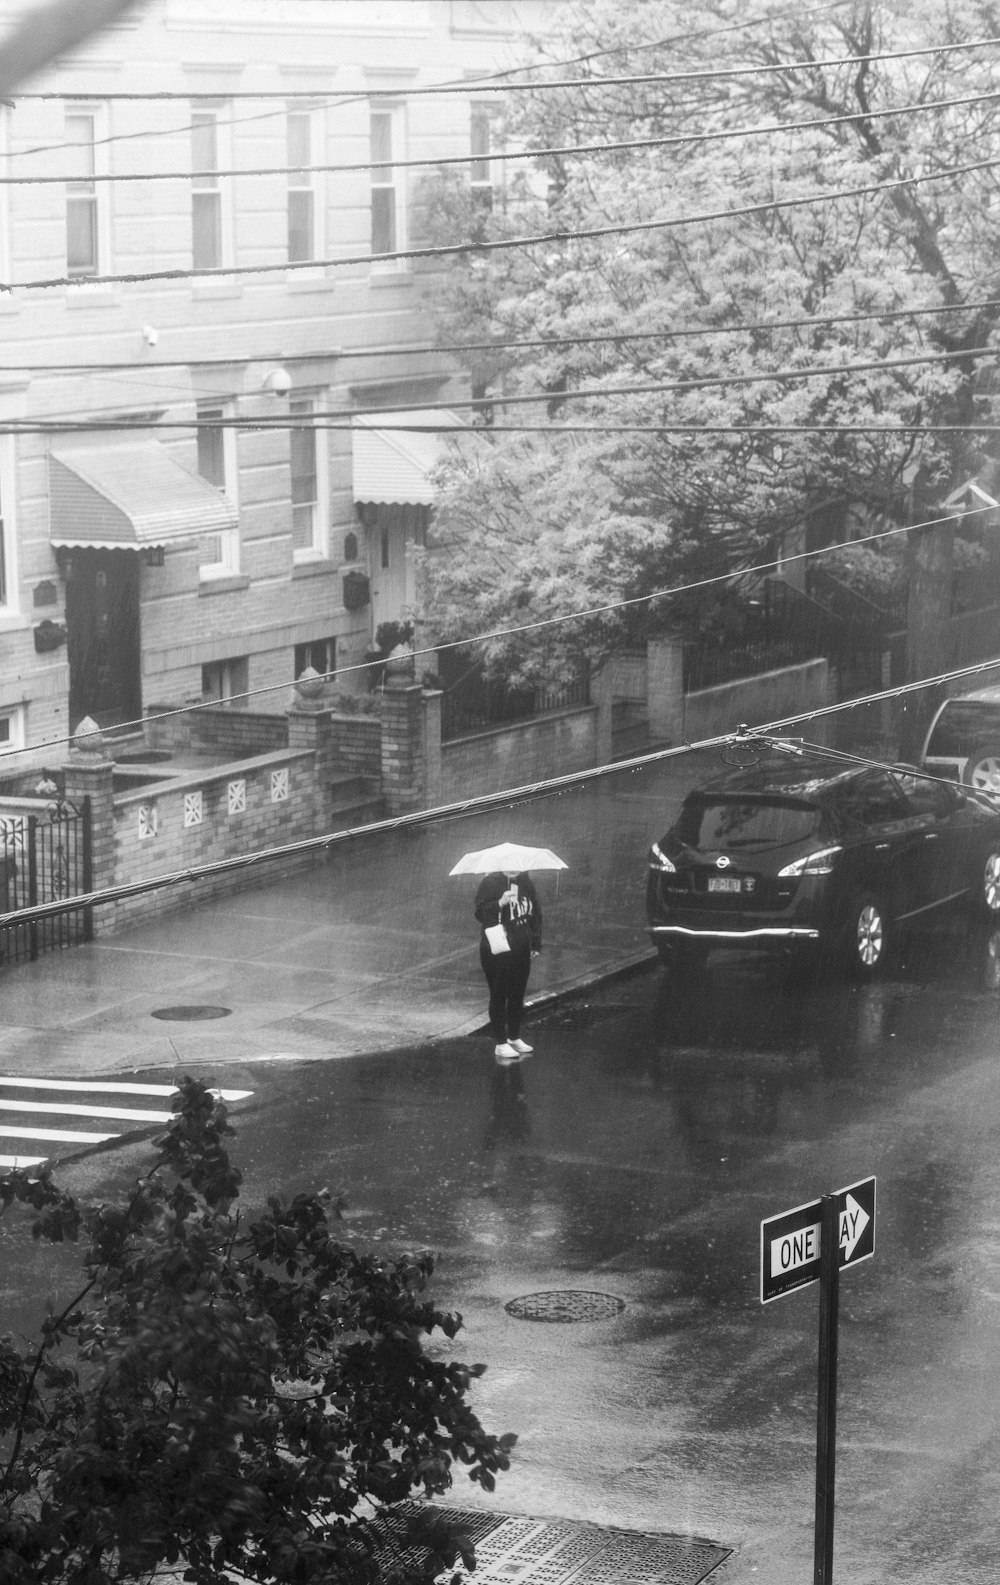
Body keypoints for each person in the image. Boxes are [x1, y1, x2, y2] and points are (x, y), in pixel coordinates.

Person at [474, 869, 542, 1062]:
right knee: (499, 993)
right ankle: (500, 1042)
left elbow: (535, 912)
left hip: (521, 947)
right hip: (498, 947)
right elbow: (480, 914)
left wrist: (535, 942)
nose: (514, 869)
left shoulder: (525, 883)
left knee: (517, 993)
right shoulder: (490, 882)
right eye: (509, 865)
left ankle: (514, 1037)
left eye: (517, 866)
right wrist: (500, 903)